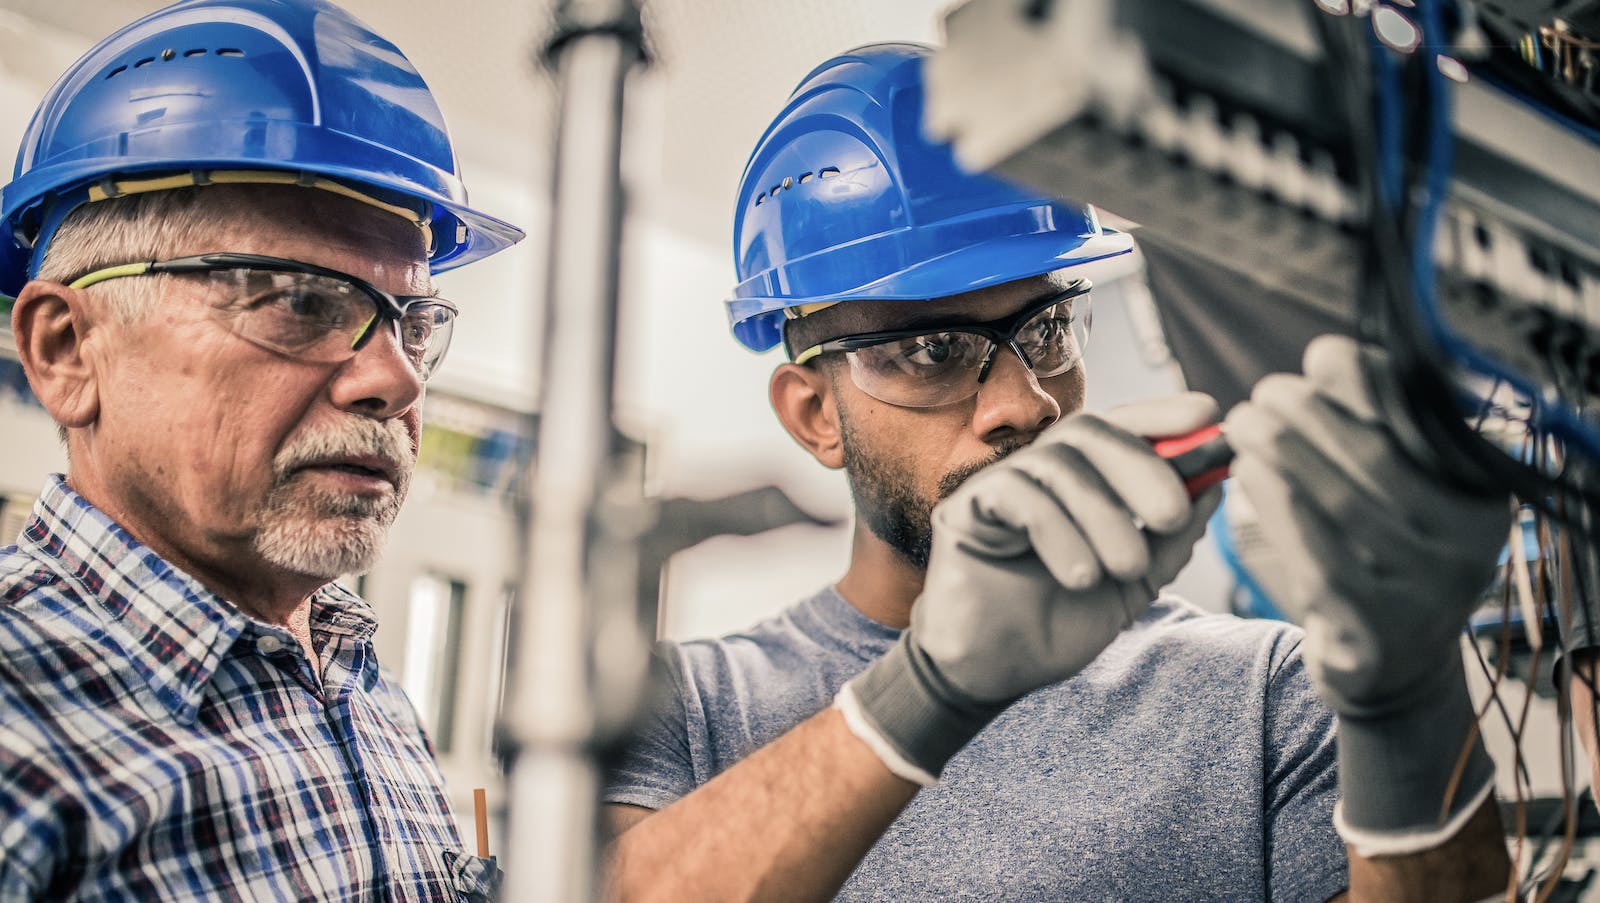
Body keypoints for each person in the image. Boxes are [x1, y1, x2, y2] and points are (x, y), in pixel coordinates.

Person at [601, 42, 1508, 902]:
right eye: (930, 350)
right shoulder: (686, 704)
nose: (1024, 403)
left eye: (1045, 331)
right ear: (814, 413)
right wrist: (925, 690)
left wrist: (1406, 703)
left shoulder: (1272, 689)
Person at [0, 1, 523, 899]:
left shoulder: (362, 687)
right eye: (298, 299)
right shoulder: (20, 734)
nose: (393, 380)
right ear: (66, 350)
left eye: (413, 320)